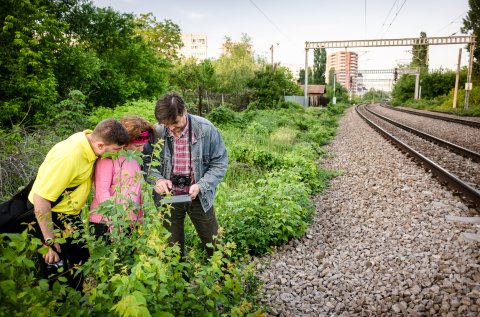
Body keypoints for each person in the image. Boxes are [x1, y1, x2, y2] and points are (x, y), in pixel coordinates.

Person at [28, 118, 129, 290]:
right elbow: (41, 199)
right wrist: (49, 240)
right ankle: (60, 306)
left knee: (81, 261)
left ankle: (80, 301)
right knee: (56, 267)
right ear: (100, 146)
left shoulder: (89, 140)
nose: (119, 153)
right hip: (49, 216)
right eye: (117, 149)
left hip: (70, 216)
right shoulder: (69, 156)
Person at [143, 92, 228, 258]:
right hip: (168, 198)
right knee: (172, 249)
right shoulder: (158, 132)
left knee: (215, 244)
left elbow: (220, 164)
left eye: (175, 123)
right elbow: (146, 164)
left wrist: (201, 185)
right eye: (167, 125)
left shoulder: (206, 129)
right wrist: (158, 179)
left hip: (199, 197)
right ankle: (178, 281)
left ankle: (228, 279)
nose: (171, 128)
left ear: (184, 111)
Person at [89, 115, 153, 237]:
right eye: (137, 146)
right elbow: (102, 191)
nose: (141, 149)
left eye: (143, 145)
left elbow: (135, 190)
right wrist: (114, 221)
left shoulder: (135, 158)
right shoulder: (109, 156)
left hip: (130, 222)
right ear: (126, 141)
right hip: (106, 222)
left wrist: (139, 219)